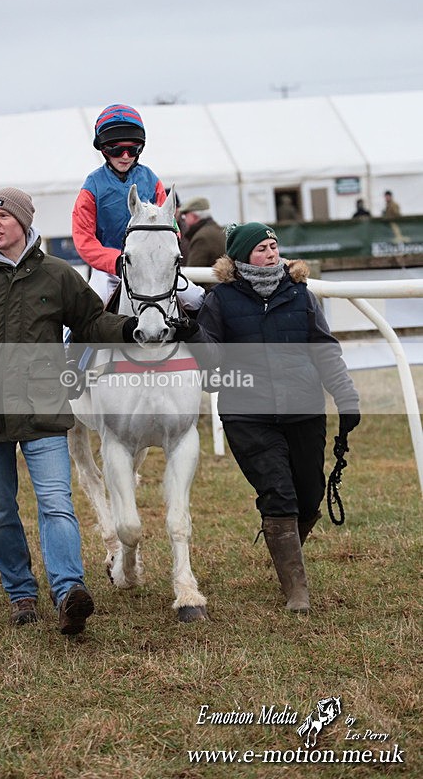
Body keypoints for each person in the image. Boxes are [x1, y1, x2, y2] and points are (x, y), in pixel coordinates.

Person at [0, 187, 142, 635]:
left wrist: (130, 328)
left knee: (57, 504)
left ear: (24, 222)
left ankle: (68, 593)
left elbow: (91, 322)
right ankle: (21, 591)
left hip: (43, 409)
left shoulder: (57, 276)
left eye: (2, 217)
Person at [196, 222, 360, 613]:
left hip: (304, 410)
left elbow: (324, 350)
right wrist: (193, 335)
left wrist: (346, 396)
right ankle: (296, 591)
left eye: (273, 246)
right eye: (261, 248)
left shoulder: (300, 295)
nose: (271, 253)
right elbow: (210, 363)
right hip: (247, 414)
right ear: (240, 258)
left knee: (309, 494)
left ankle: (285, 552)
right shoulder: (219, 301)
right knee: (279, 493)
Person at [71, 103, 204, 311]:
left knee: (196, 300)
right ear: (104, 150)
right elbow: (84, 240)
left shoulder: (151, 180)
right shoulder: (92, 187)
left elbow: (172, 227)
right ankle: (70, 343)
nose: (125, 156)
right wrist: (116, 261)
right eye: (116, 149)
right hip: (109, 270)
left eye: (133, 149)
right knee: (88, 310)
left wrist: (162, 254)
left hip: (154, 265)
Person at [181, 197, 226, 273]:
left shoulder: (201, 238)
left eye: (185, 215)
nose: (184, 219)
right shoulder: (220, 231)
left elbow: (193, 274)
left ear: (193, 216)